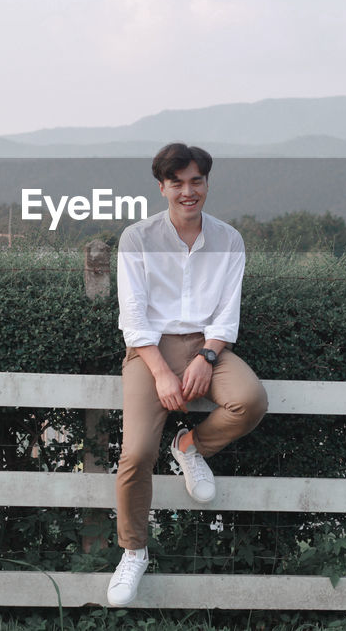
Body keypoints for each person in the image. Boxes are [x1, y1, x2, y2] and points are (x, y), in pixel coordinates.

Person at [106, 143, 268, 607]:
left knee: (251, 400)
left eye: (196, 180)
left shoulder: (229, 239)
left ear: (207, 184)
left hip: (206, 347)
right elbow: (133, 320)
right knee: (136, 453)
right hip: (148, 352)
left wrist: (208, 357)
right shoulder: (137, 239)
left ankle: (189, 445)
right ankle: (134, 551)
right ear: (162, 187)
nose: (187, 190)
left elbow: (226, 315)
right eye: (177, 182)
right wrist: (160, 372)